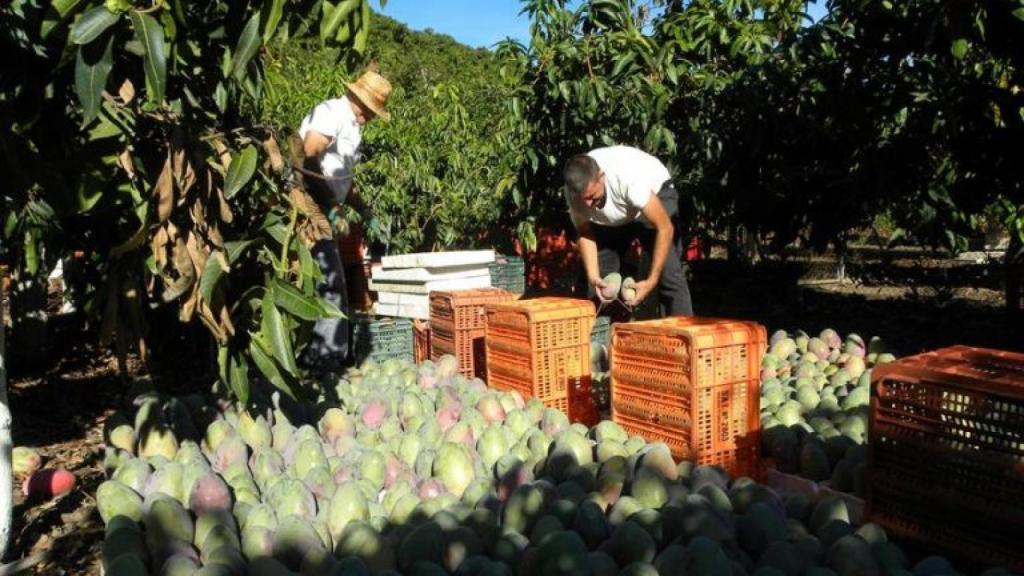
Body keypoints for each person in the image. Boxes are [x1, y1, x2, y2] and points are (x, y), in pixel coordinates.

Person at [296, 68, 391, 375]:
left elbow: (344, 181)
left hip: (324, 205)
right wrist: (324, 203)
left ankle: (317, 359)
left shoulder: (352, 128)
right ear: (360, 100)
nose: (373, 117)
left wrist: (364, 210)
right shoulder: (332, 112)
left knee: (326, 282)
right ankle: (324, 364)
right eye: (372, 110)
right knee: (330, 284)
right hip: (308, 202)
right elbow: (306, 154)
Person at [562, 145, 694, 316]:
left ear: (602, 177)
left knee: (667, 274)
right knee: (596, 285)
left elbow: (665, 227)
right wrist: (594, 277)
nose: (587, 205)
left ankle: (685, 335)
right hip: (618, 213)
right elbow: (585, 232)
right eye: (583, 199)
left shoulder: (627, 179)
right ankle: (599, 339)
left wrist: (652, 280)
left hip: (656, 193)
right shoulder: (573, 194)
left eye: (592, 196)